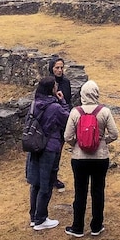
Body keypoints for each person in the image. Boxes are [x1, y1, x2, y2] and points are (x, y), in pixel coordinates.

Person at [62, 80, 119, 238]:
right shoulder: (104, 112)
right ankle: (96, 225)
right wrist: (101, 142)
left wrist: (77, 144)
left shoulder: (75, 112)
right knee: (98, 191)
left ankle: (78, 226)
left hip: (79, 158)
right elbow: (114, 134)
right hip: (100, 157)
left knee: (80, 192)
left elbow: (67, 136)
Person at [25, 75, 69, 231]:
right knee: (47, 183)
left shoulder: (34, 104)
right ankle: (41, 219)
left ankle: (33, 216)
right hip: (49, 148)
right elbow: (68, 120)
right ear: (52, 89)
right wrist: (62, 101)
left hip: (35, 146)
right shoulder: (55, 107)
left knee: (35, 183)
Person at [49, 56, 72, 192]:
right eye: (57, 67)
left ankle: (54, 178)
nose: (59, 70)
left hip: (62, 123)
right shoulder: (47, 83)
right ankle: (46, 178)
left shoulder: (66, 82)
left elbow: (67, 101)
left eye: (61, 67)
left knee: (58, 152)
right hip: (50, 123)